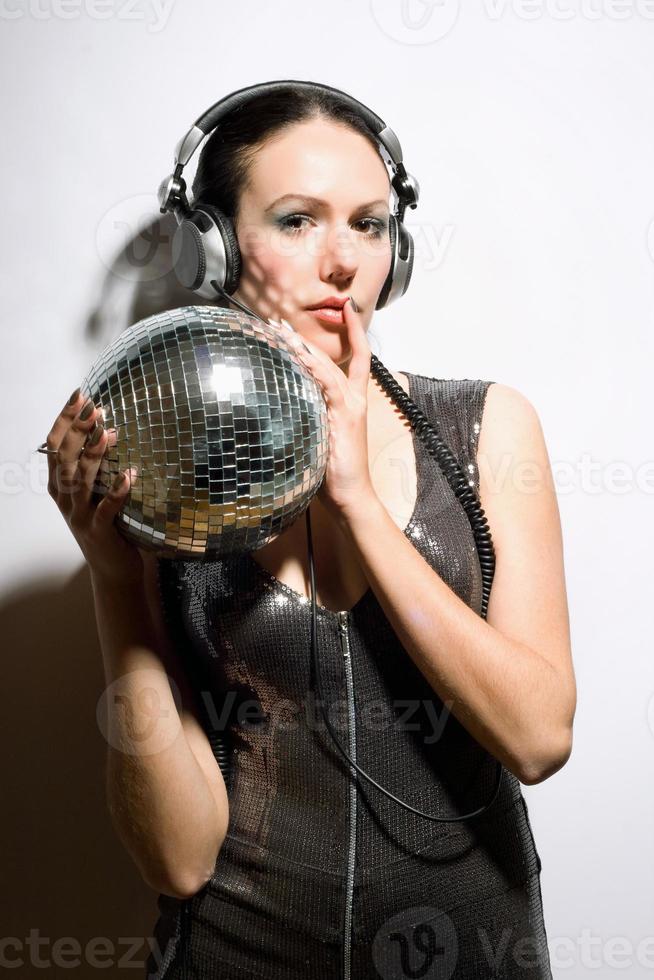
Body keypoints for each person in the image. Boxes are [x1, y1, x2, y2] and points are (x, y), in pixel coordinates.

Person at [44, 84, 576, 979]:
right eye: (296, 222)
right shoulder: (157, 473)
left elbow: (537, 738)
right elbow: (177, 859)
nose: (342, 262)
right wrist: (112, 576)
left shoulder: (486, 427)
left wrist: (360, 502)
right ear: (210, 249)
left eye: (369, 224)